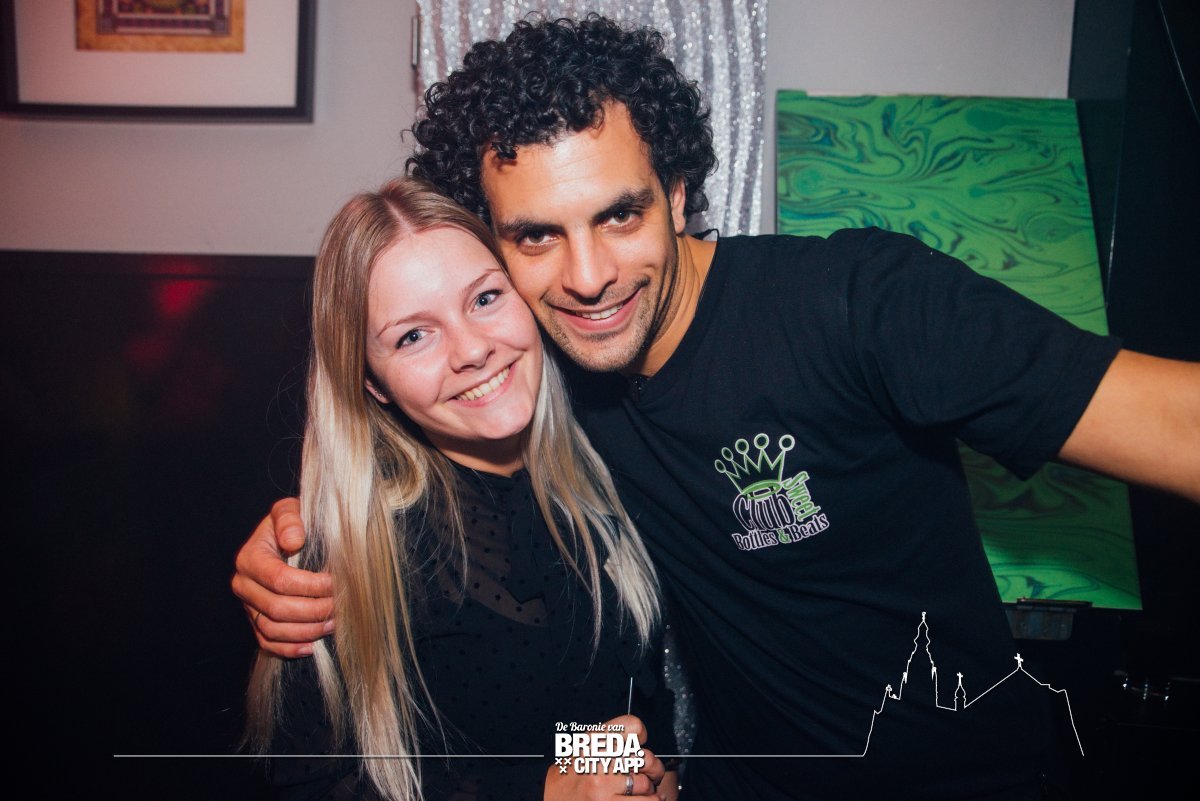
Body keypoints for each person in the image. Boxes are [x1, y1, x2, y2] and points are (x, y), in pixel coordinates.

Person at [234, 16, 1200, 801]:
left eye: (619, 213)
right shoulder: (535, 377)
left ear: (678, 189)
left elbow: (1177, 424)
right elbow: (491, 711)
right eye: (536, 236)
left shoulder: (861, 304)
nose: (588, 276)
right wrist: (303, 545)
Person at [243, 176, 679, 801]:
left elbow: (586, 719)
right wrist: (543, 794)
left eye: (485, 298)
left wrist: (648, 776)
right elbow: (312, 783)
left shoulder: (605, 468)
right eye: (413, 336)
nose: (472, 349)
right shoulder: (351, 557)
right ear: (372, 383)